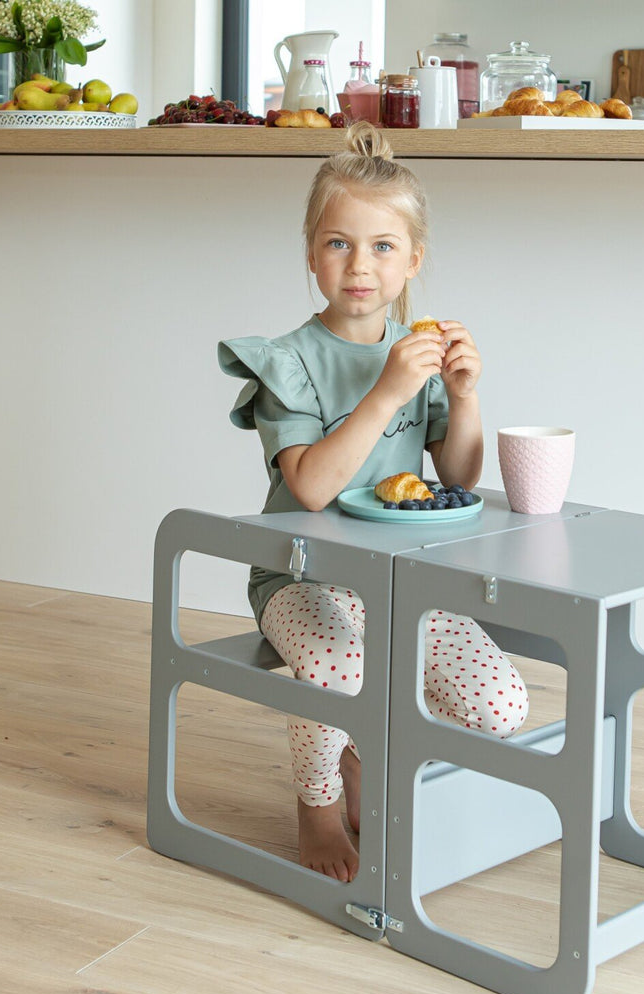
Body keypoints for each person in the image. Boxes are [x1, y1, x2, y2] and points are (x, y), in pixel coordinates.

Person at [218, 122, 529, 883]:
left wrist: (464, 396)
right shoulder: (288, 362)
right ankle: (318, 805)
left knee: (501, 706)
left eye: (383, 246)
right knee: (342, 667)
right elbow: (311, 486)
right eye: (338, 244)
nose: (360, 265)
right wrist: (388, 389)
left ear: (412, 260)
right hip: (301, 576)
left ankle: (358, 750)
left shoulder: (418, 353)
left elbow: (457, 475)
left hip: (399, 580)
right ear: (311, 254)